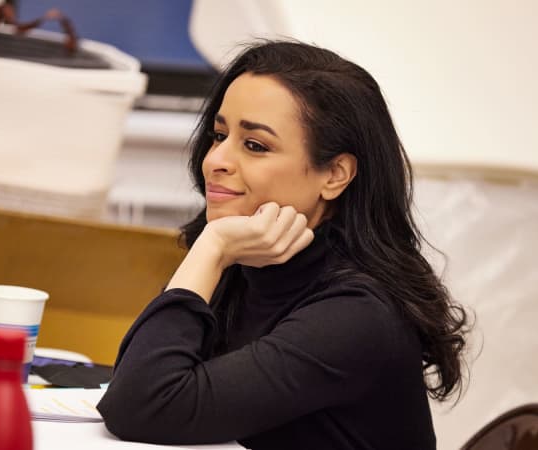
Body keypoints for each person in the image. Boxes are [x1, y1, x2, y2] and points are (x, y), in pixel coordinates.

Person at [97, 40, 469, 450]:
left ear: (335, 175)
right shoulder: (249, 261)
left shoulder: (357, 314)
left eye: (255, 146)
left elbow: (144, 405)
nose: (215, 159)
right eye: (219, 135)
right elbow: (135, 387)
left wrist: (212, 247)